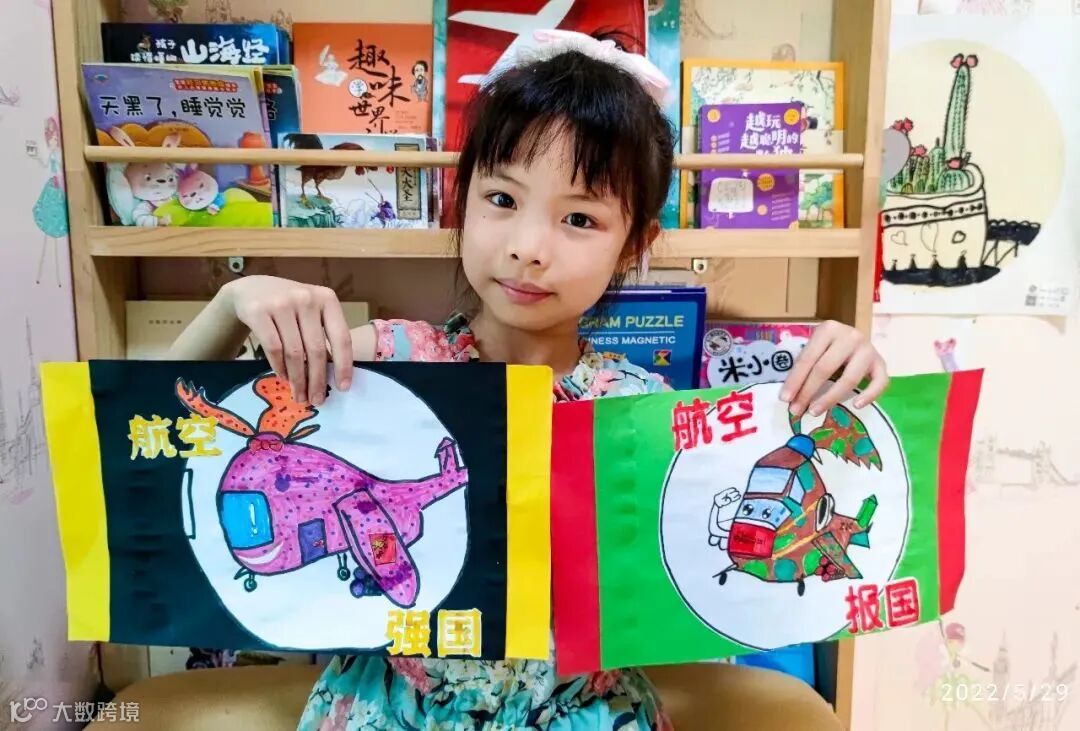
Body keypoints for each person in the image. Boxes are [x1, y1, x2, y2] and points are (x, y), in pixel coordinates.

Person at [169, 28, 888, 731]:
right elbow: (158, 438)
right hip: (393, 709)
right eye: (503, 200)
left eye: (579, 217)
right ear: (464, 198)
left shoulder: (643, 410)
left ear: (633, 245)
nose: (528, 248)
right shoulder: (382, 363)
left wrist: (843, 384)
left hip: (590, 712)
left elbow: (752, 535)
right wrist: (230, 307)